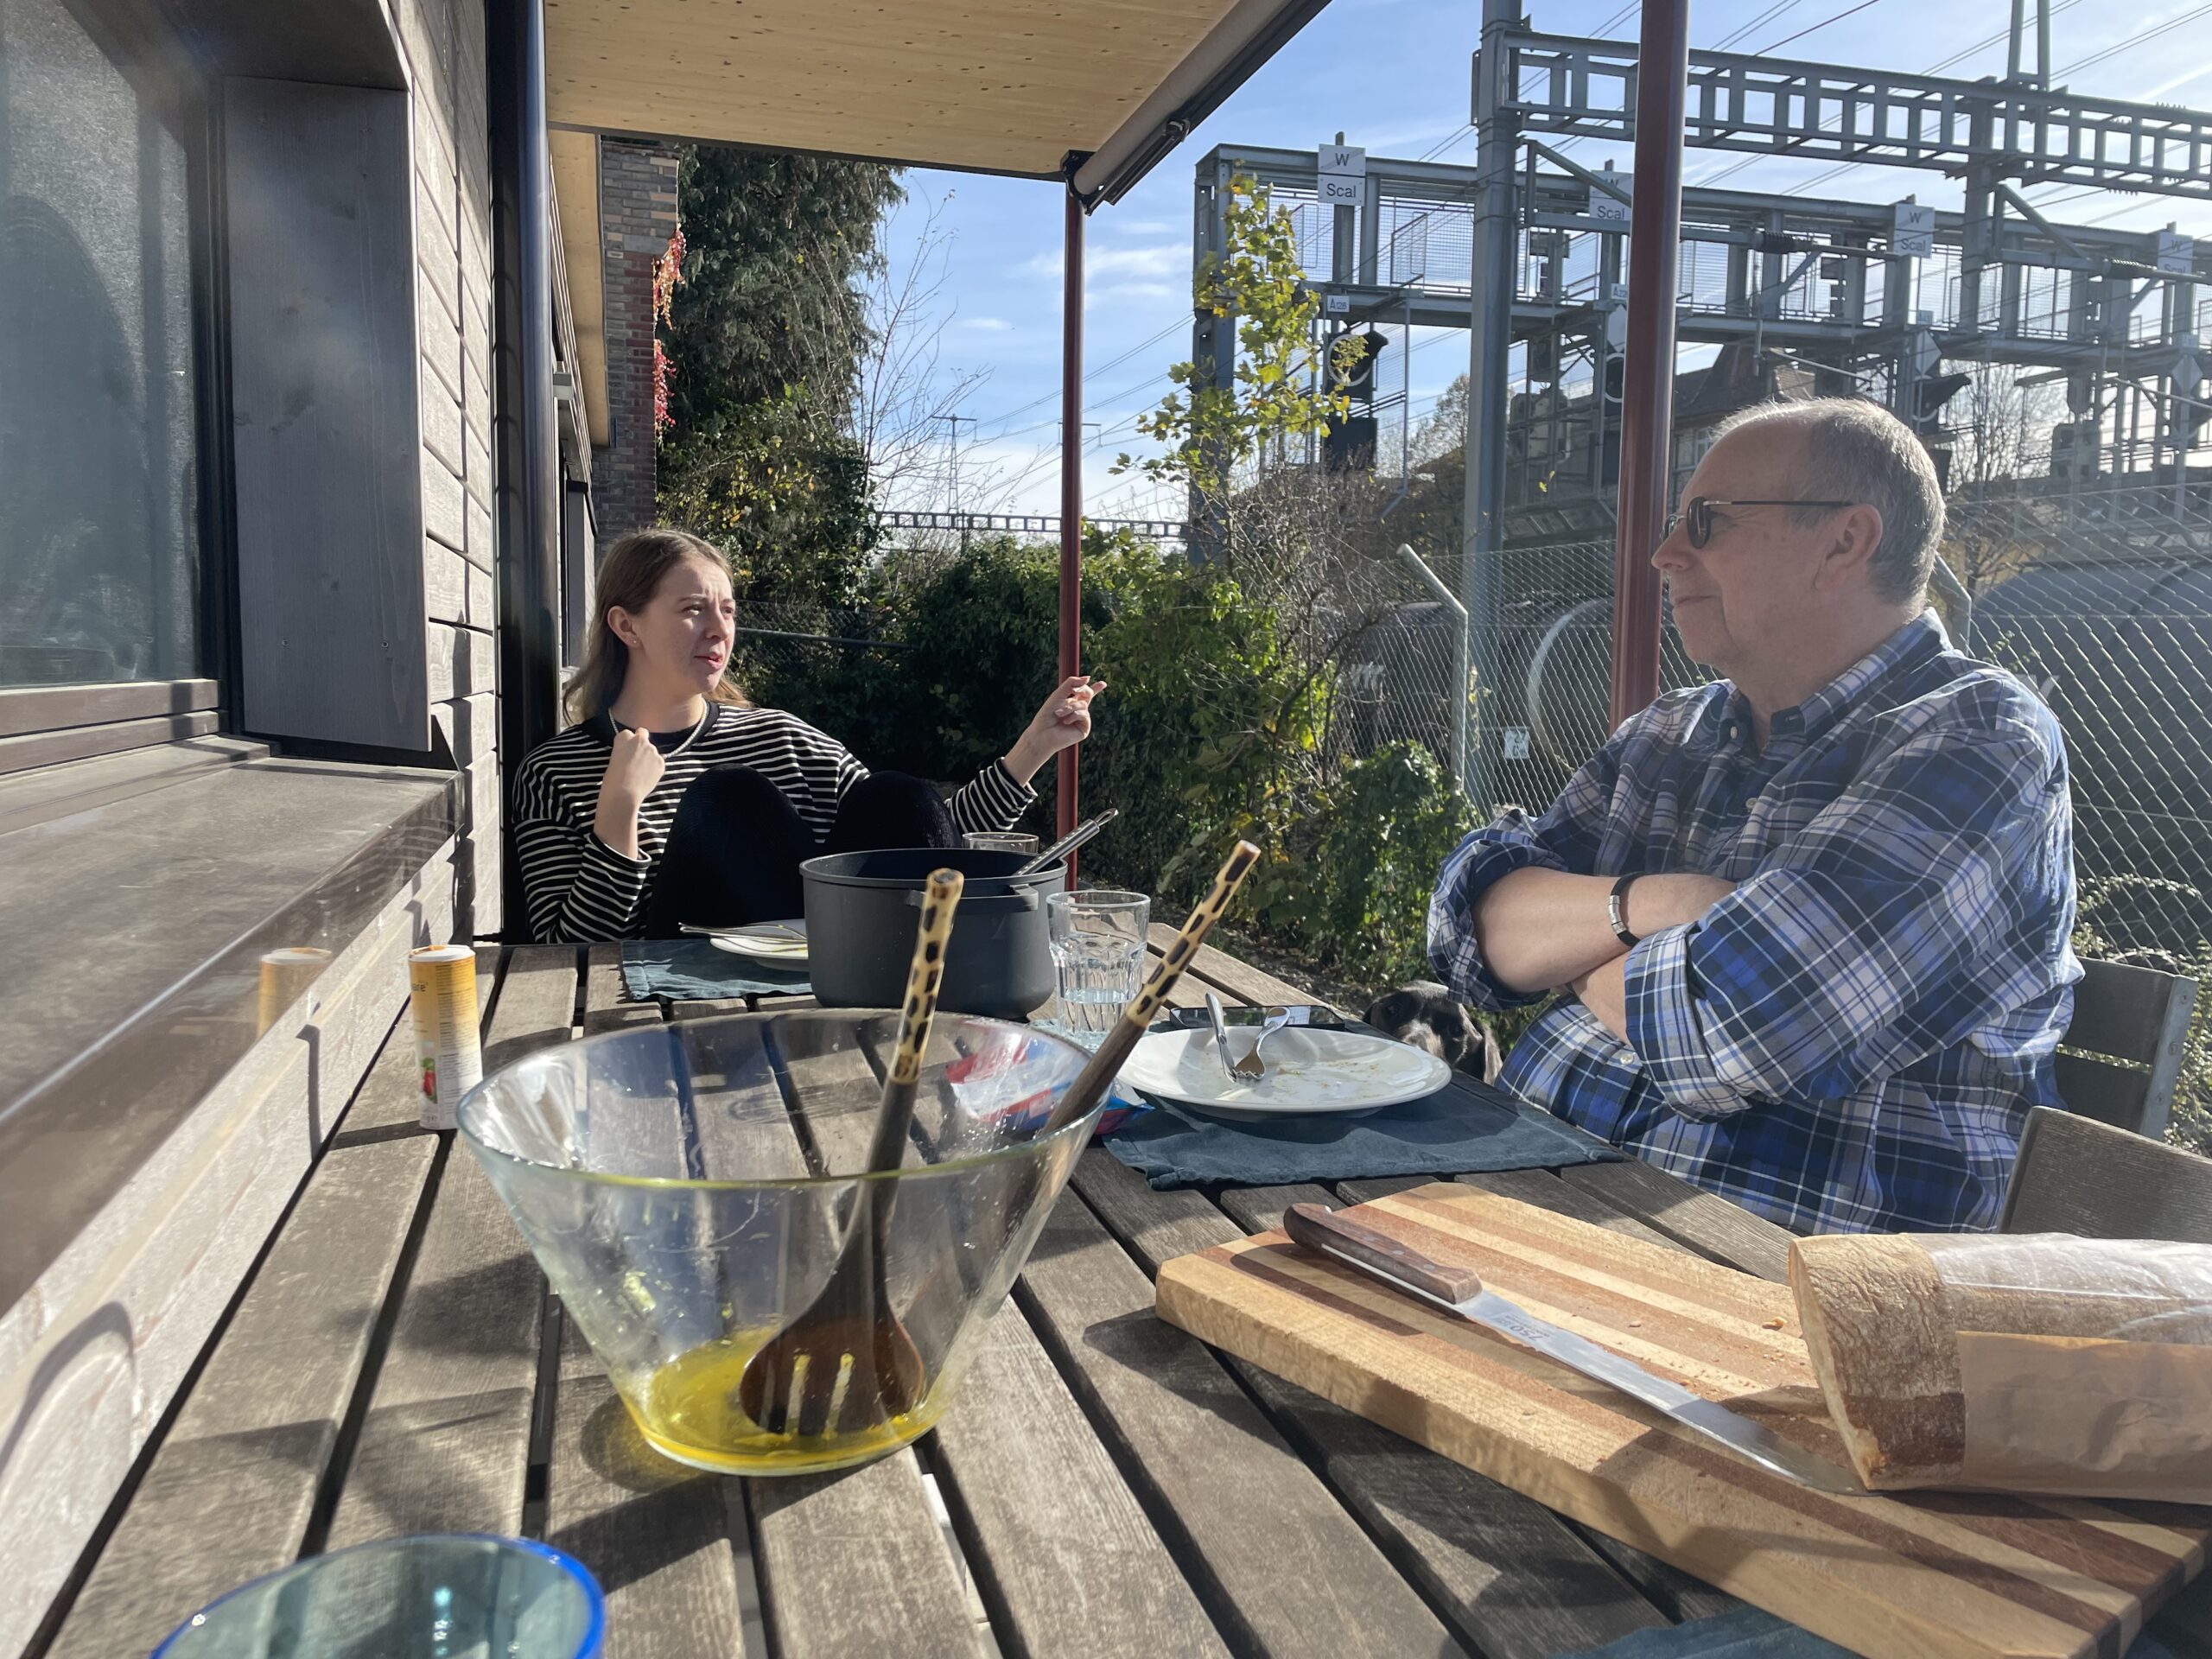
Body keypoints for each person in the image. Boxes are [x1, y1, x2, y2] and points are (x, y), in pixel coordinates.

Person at [1427, 397, 2079, 1235]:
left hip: (1770, 1280)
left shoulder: (1977, 738)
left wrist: (1569, 947)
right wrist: (1657, 905)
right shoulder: (1668, 734)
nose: (1665, 553)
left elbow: (1728, 1028)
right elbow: (1468, 932)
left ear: (1843, 542)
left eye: (1707, 521)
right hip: (1531, 1206)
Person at [512, 528, 1101, 942]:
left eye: (728, 610)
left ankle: (944, 995)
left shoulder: (784, 740)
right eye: (693, 609)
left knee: (896, 794)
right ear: (626, 625)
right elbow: (568, 954)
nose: (719, 629)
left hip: (836, 976)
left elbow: (925, 836)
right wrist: (618, 812)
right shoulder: (556, 771)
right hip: (682, 1000)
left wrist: (1035, 747)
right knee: (729, 799)